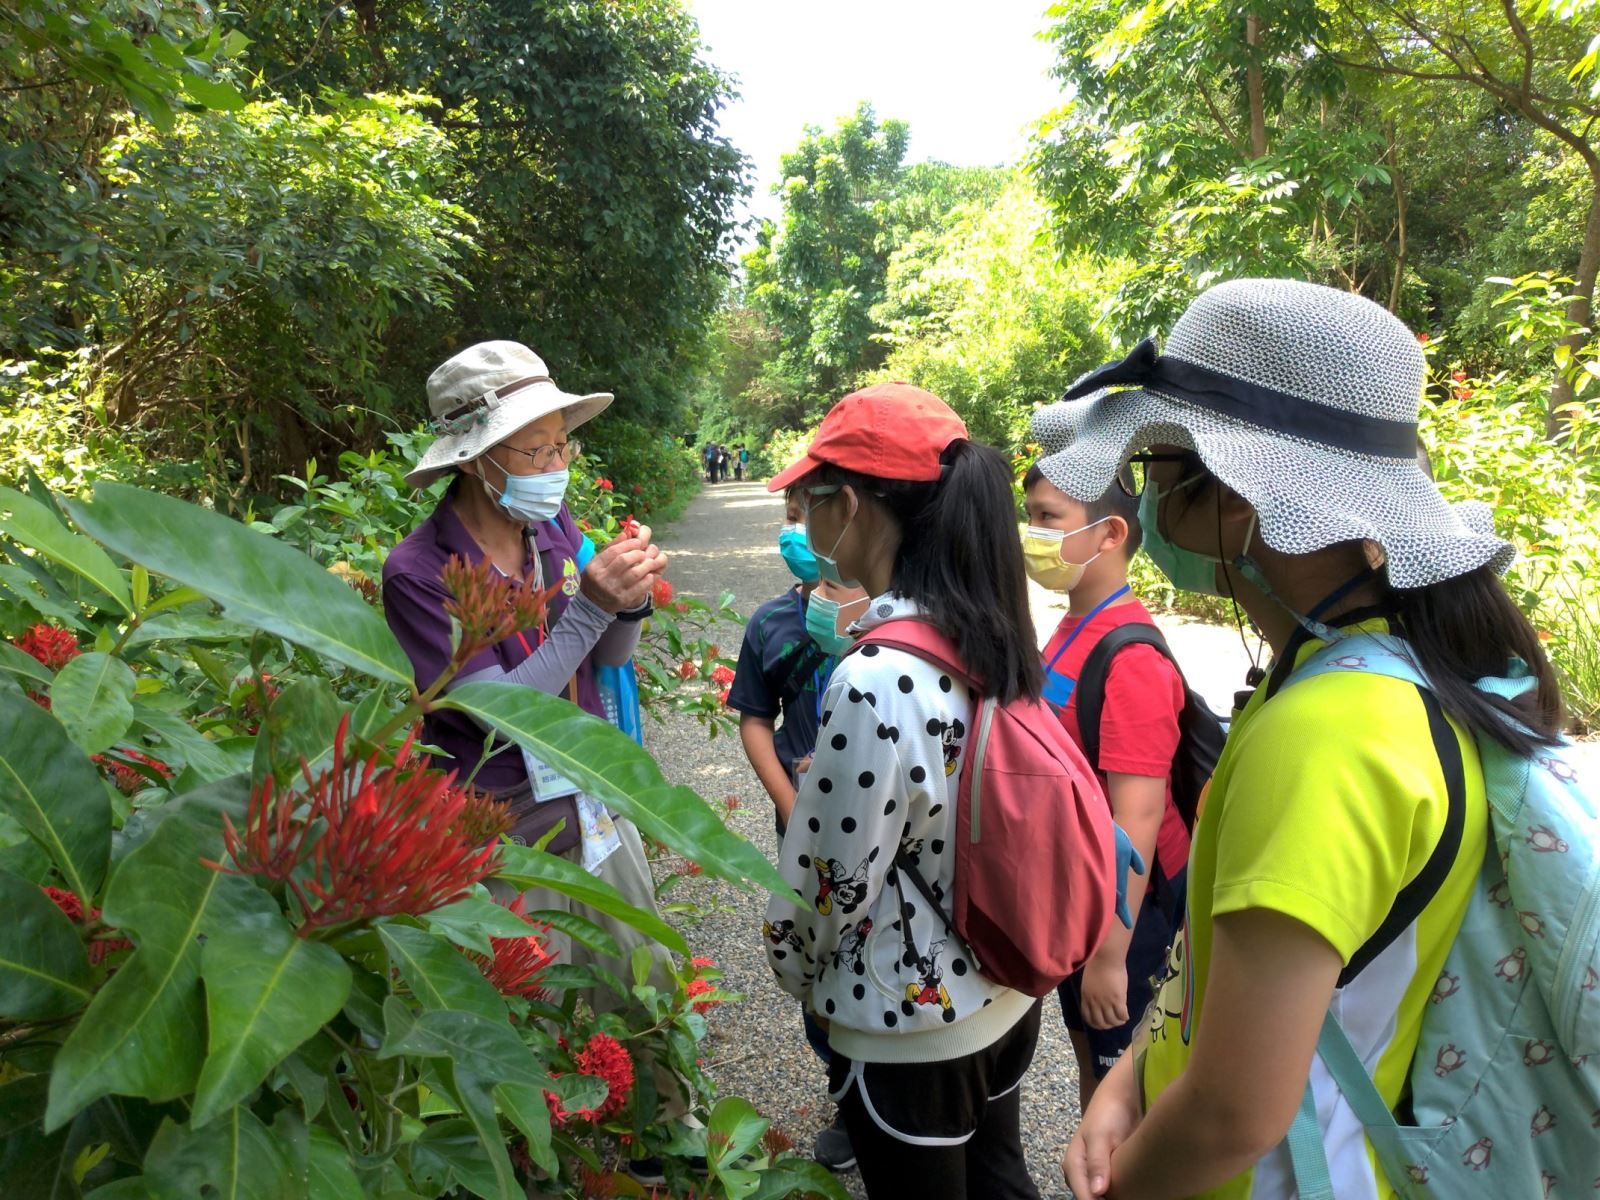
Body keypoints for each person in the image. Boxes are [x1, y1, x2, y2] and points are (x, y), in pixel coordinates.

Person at [1042, 280, 1558, 1200]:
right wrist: (1128, 1080)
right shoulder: (1357, 675)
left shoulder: (1324, 736)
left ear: (1241, 499)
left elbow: (1234, 1116)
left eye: (1164, 467)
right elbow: (1232, 969)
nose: (1153, 500)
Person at [382, 341, 693, 1130]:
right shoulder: (418, 573)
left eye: (562, 443)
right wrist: (588, 609)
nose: (557, 462)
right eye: (540, 447)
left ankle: (668, 1144)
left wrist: (626, 602)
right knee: (540, 1010)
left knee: (642, 975)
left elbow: (606, 657)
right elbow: (494, 714)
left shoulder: (552, 527)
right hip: (504, 830)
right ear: (480, 457)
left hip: (588, 798)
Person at [762, 382, 1049, 1200]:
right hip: (1003, 981)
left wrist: (790, 962)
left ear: (847, 505)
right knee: (1001, 1179)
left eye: (809, 500)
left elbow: (831, 884)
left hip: (909, 1021)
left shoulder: (875, 675)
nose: (804, 521)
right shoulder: (988, 629)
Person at [1020, 465, 1188, 1109]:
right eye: (1031, 515)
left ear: (1109, 533)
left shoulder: (1131, 657)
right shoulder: (1072, 629)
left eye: (1046, 517)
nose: (1031, 532)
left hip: (1131, 917)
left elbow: (1138, 817)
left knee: (1133, 1090)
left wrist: (1111, 958)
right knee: (1093, 1055)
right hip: (1084, 896)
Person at [728, 489, 866, 1171]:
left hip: (884, 833)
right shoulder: (773, 623)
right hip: (803, 835)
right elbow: (754, 717)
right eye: (790, 516)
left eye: (813, 514)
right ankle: (846, 1090)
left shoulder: (897, 618)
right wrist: (791, 804)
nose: (800, 531)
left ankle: (893, 1085)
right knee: (815, 953)